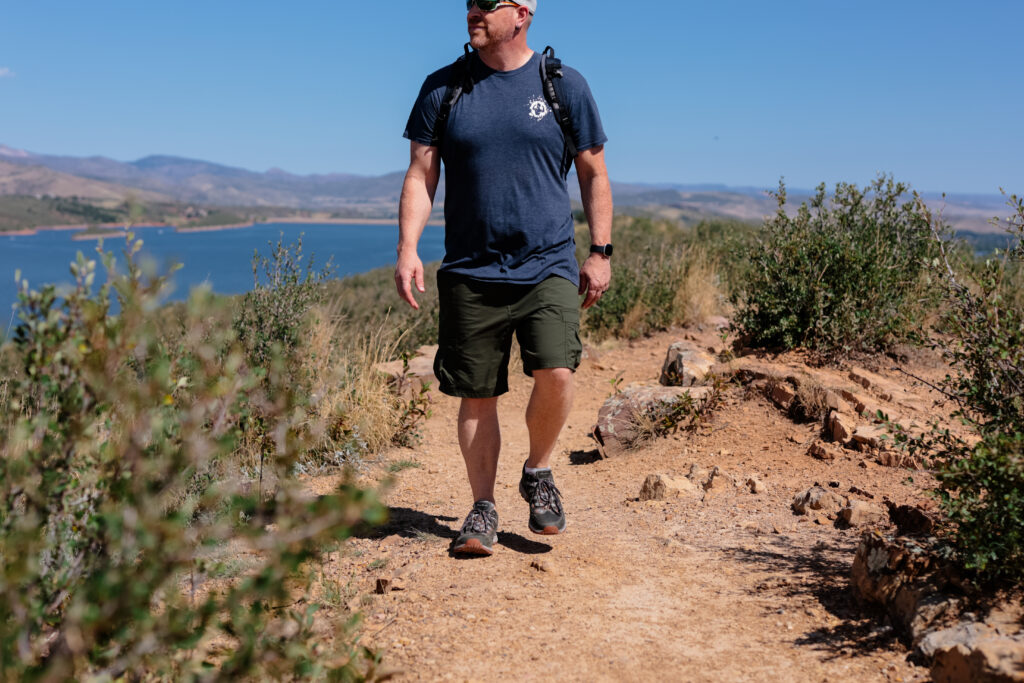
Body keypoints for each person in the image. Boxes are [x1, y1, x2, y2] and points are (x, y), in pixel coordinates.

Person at [395, 0, 613, 556]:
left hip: (549, 263)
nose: (473, 11)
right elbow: (422, 174)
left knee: (558, 372)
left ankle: (538, 472)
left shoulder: (564, 86)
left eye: (487, 3)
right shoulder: (443, 89)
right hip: (471, 269)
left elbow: (593, 172)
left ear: (522, 14)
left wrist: (600, 252)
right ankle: (483, 507)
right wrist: (409, 247)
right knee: (477, 395)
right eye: (468, 2)